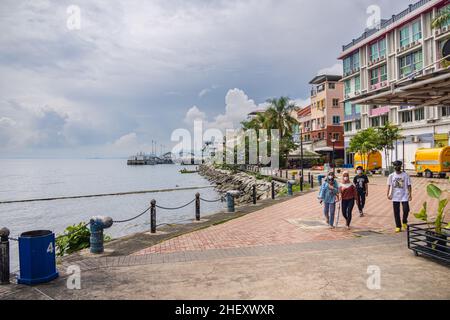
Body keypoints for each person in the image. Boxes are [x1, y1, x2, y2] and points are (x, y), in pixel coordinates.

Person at [387, 160, 412, 233]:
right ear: (394, 167)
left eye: (398, 166)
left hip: (404, 195)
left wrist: (410, 194)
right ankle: (398, 226)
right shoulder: (391, 176)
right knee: (396, 211)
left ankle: (404, 221)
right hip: (395, 196)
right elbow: (388, 185)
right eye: (395, 166)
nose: (397, 167)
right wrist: (388, 193)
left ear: (400, 166)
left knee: (406, 209)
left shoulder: (405, 175)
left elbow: (409, 185)